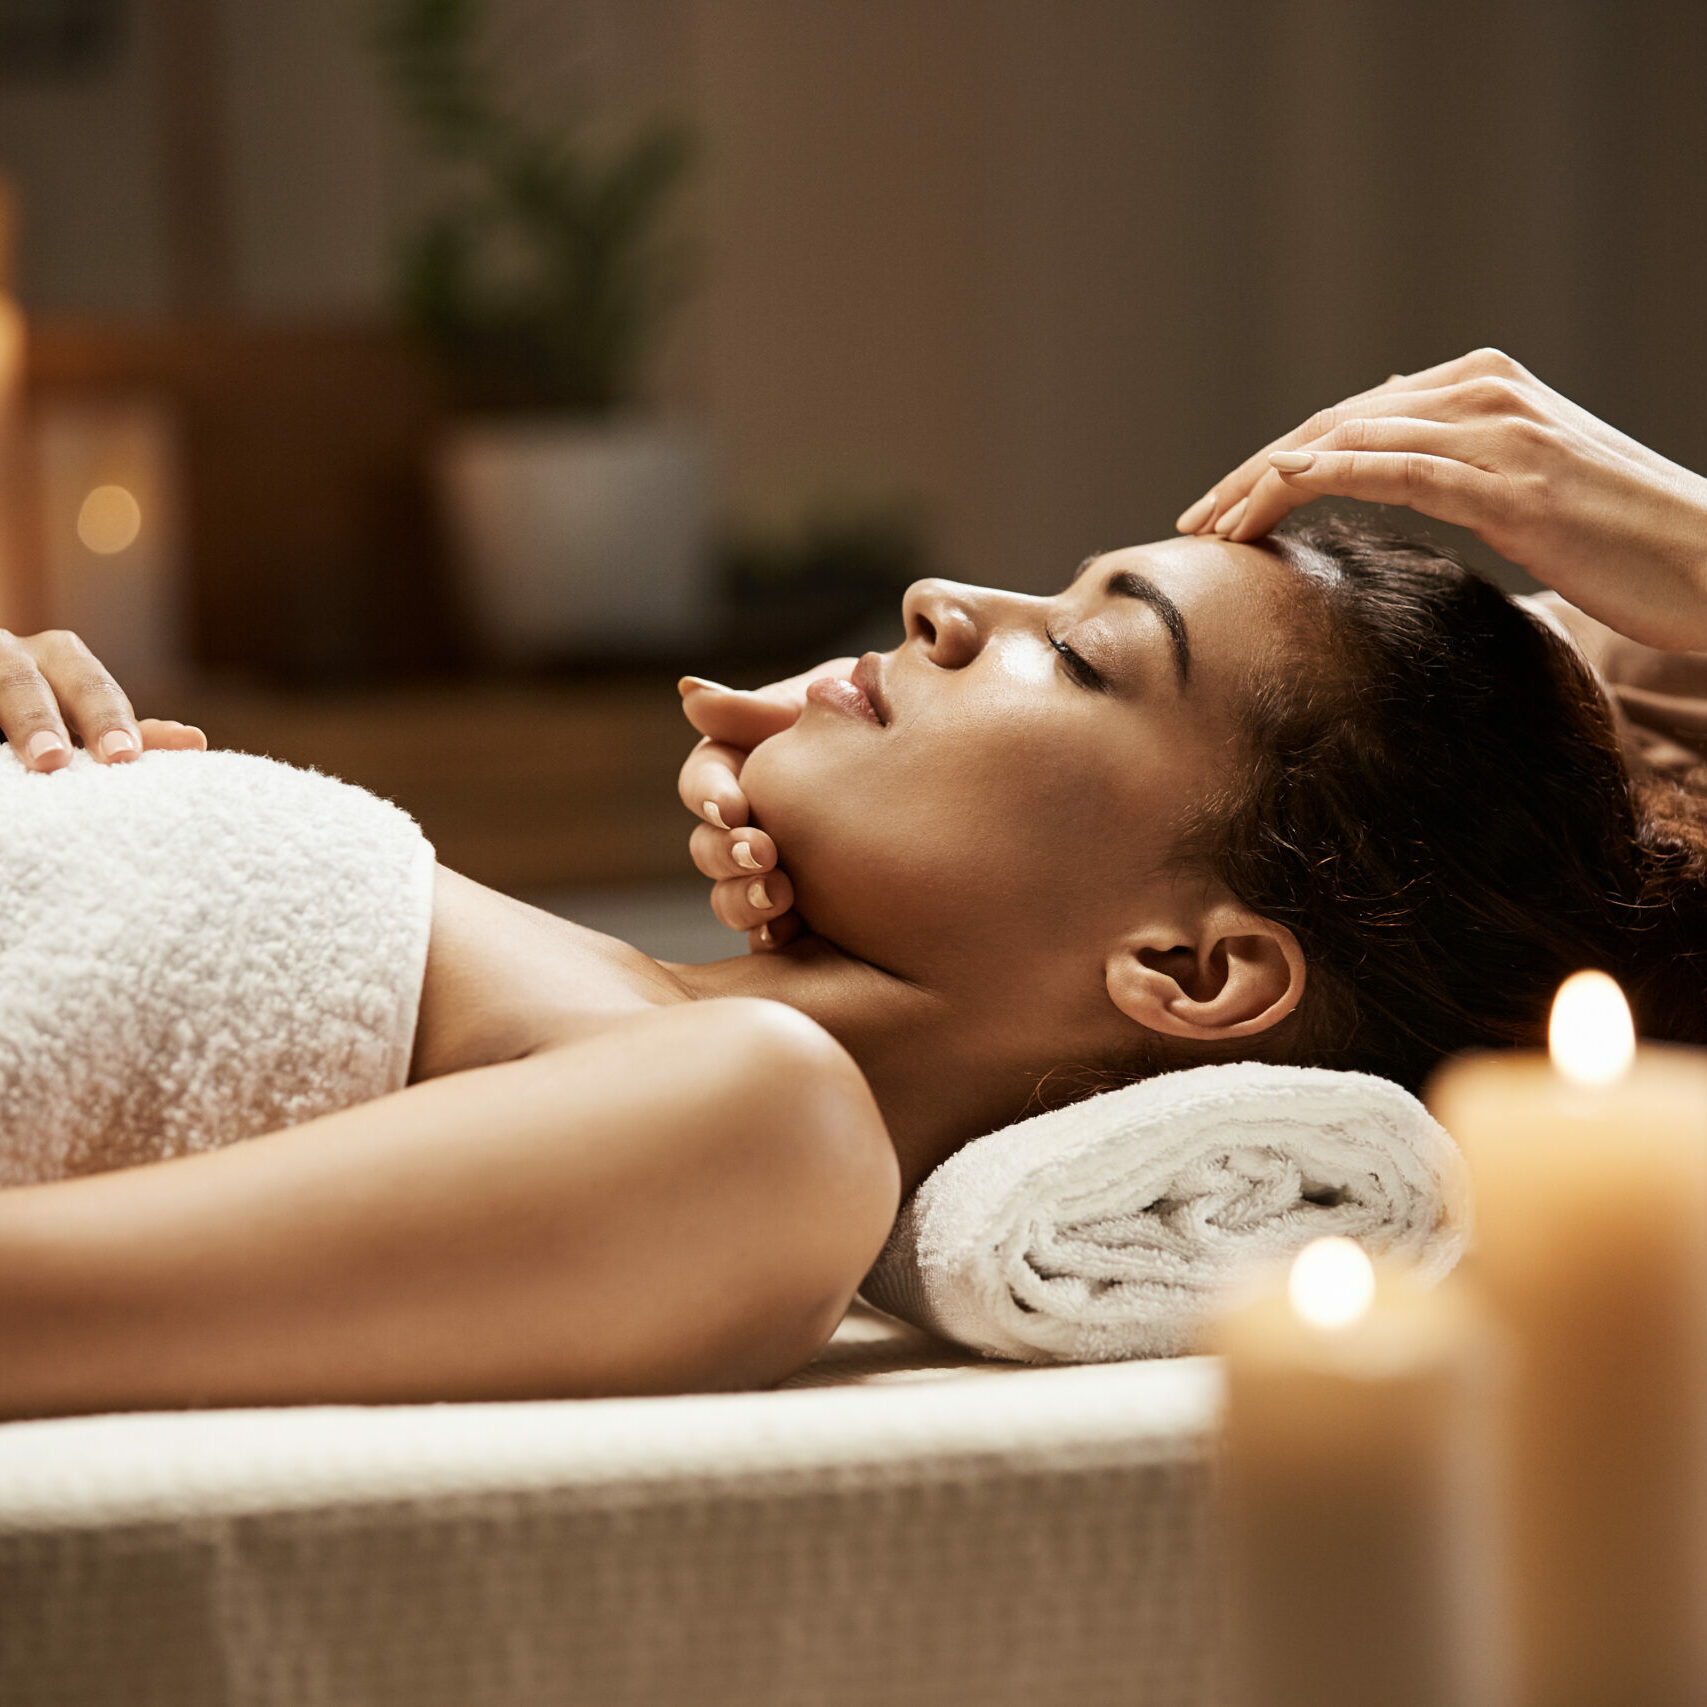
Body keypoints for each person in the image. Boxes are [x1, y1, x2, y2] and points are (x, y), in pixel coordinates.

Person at [1, 348, 1702, 1420]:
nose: (946, 596)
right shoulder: (634, 1038)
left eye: (1093, 652)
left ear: (1194, 973)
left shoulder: (764, 1132)